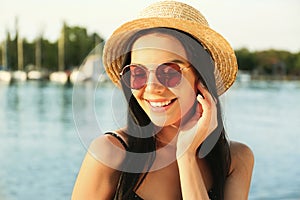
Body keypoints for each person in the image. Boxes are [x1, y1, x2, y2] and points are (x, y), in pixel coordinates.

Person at [72, 1, 254, 199]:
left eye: (169, 72)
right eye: (138, 73)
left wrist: (186, 157)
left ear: (200, 77)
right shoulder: (109, 154)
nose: (151, 88)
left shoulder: (236, 160)